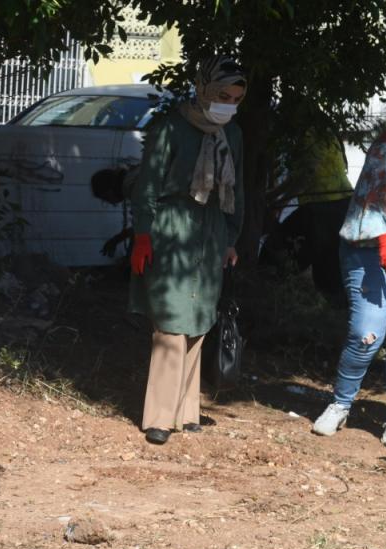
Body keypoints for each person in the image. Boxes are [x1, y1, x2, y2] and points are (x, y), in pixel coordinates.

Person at [130, 57, 246, 445]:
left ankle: (186, 411)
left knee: (199, 319)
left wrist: (231, 238)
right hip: (173, 230)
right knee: (172, 320)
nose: (229, 104)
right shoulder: (171, 128)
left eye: (236, 98)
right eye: (223, 95)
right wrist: (144, 234)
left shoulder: (234, 135)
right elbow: (147, 185)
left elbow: (237, 192)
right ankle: (159, 417)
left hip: (211, 232)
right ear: (204, 90)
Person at [312, 91, 386, 449]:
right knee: (367, 334)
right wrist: (384, 238)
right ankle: (341, 403)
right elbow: (370, 192)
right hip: (373, 251)